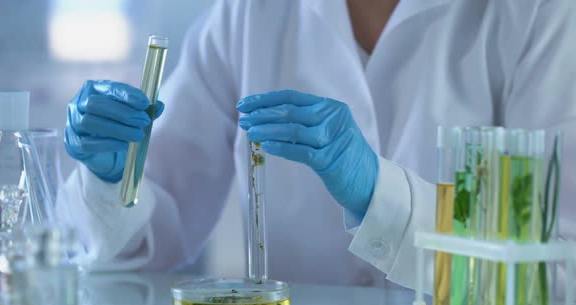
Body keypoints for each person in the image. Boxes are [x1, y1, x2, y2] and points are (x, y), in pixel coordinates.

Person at [61, 0, 576, 288]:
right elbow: (144, 241)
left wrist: (382, 196)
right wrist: (112, 179)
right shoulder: (249, 14)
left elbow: (556, 269)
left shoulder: (541, 14)